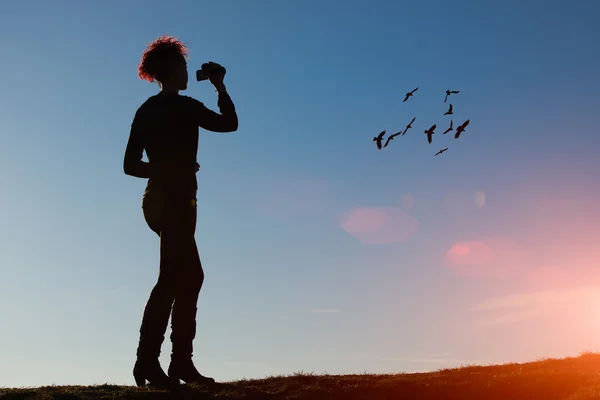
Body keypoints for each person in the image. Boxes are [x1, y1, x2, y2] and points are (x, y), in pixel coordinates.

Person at [123, 35, 238, 388]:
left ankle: (178, 364)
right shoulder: (183, 107)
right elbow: (228, 123)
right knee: (174, 278)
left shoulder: (148, 110)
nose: (189, 71)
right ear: (172, 69)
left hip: (164, 201)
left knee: (189, 276)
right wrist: (220, 87)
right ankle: (151, 363)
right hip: (171, 201)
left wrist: (165, 168)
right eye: (185, 65)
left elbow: (131, 166)